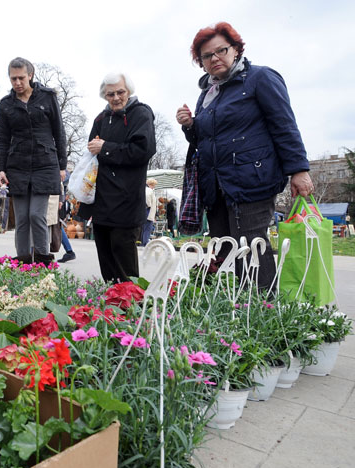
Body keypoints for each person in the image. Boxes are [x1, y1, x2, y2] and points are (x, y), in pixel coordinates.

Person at [176, 22, 313, 290]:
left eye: (221, 50)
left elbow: (284, 125)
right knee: (225, 250)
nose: (214, 58)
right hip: (216, 187)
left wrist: (299, 169)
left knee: (251, 249)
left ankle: (263, 315)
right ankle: (237, 315)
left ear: (236, 49)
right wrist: (190, 126)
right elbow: (206, 139)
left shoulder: (260, 78)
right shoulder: (207, 94)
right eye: (206, 55)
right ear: (200, 62)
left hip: (251, 181)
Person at [78, 72, 156, 282]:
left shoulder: (141, 114)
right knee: (106, 256)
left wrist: (106, 148)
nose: (116, 97)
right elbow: (92, 151)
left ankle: (131, 306)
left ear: (128, 91)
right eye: (110, 94)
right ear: (105, 95)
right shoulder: (101, 119)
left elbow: (143, 150)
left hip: (127, 199)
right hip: (102, 199)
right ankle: (112, 304)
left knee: (124, 261)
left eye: (120, 92)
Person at [0, 57, 67, 264]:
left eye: (21, 78)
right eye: (13, 79)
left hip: (45, 164)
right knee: (22, 218)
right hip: (16, 166)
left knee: (37, 215)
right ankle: (24, 262)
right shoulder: (6, 104)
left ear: (30, 75)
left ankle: (43, 260)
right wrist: (1, 169)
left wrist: (62, 165)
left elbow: (59, 132)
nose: (17, 83)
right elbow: (2, 139)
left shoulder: (47, 97)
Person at [141, 178, 158, 245]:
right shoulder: (149, 190)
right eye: (154, 184)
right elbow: (147, 198)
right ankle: (145, 243)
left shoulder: (147, 190)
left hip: (148, 212)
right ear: (151, 184)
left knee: (145, 228)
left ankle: (144, 242)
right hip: (148, 212)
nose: (155, 186)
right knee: (147, 228)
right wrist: (149, 205)